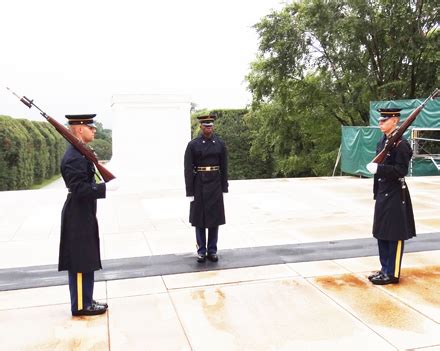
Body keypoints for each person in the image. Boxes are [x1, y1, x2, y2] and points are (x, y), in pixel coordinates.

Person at [59, 114, 118, 316]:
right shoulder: (74, 157)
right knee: (78, 259)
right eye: (90, 127)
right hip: (77, 212)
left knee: (86, 256)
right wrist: (104, 189)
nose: (94, 130)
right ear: (79, 129)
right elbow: (80, 189)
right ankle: (81, 305)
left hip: (83, 210)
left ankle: (86, 299)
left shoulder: (80, 153)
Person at [366, 108, 416, 285]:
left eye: (384, 121)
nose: (380, 123)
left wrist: (379, 169)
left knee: (394, 234)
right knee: (382, 232)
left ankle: (392, 273)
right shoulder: (383, 140)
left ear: (395, 121)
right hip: (382, 191)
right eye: (380, 120)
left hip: (395, 193)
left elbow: (401, 170)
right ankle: (384, 269)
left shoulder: (401, 144)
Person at [184, 113, 228, 263]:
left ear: (213, 126)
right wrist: (189, 191)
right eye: (206, 126)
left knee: (214, 219)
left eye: (210, 126)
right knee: (200, 220)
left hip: (215, 183)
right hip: (199, 184)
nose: (208, 128)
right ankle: (201, 251)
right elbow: (188, 169)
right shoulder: (193, 145)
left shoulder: (220, 144)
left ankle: (212, 250)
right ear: (201, 127)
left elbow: (224, 166)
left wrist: (224, 186)